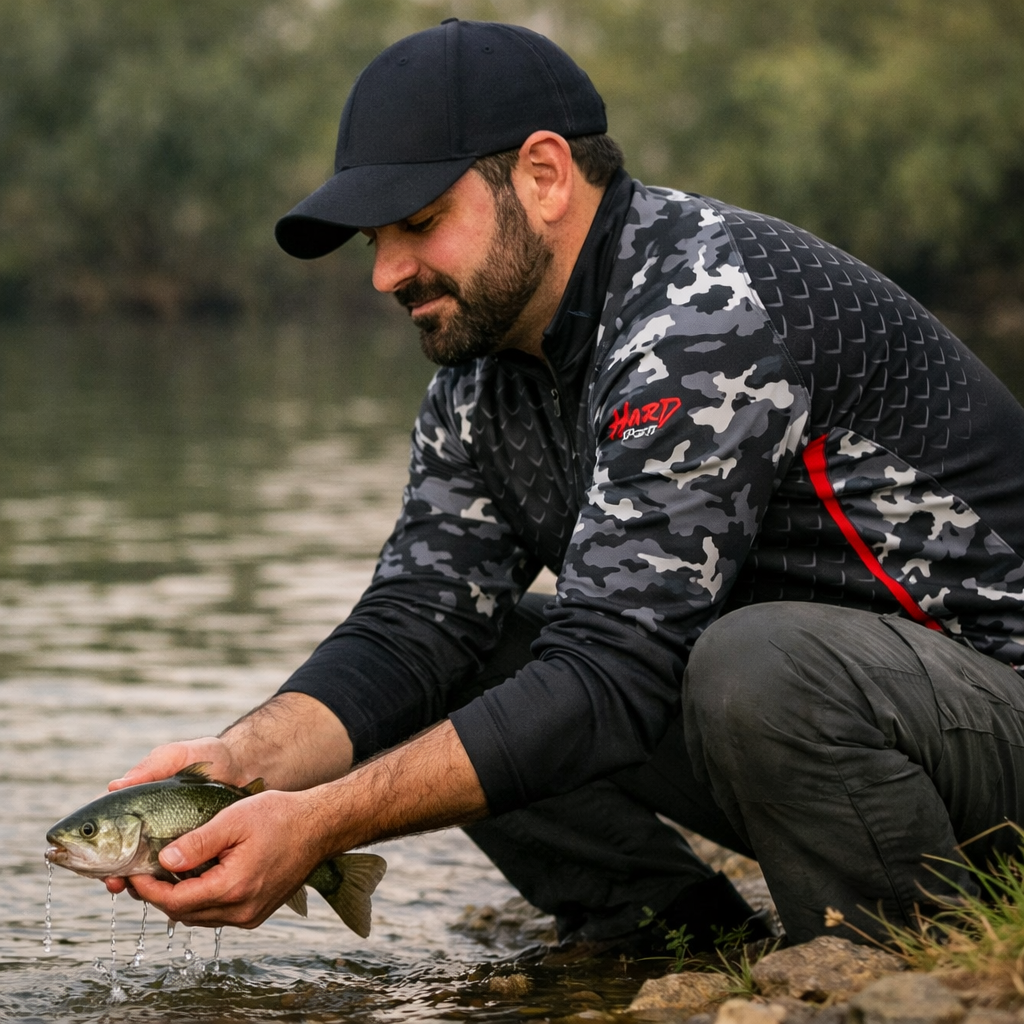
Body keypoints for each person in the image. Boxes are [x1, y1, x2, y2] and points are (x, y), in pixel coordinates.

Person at [107, 19, 1024, 955]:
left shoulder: (705, 315)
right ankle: (665, 939)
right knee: (456, 659)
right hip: (842, 740)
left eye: (418, 223)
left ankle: (891, 951)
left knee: (757, 663)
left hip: (991, 719)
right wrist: (241, 767)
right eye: (374, 239)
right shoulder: (479, 379)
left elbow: (613, 671)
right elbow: (416, 621)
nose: (386, 272)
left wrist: (325, 825)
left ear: (544, 176)